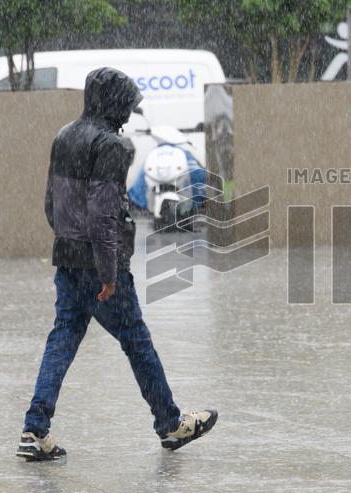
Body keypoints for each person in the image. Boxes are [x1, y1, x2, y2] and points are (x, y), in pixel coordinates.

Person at [18, 67, 217, 461]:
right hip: (99, 264)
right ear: (114, 104)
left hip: (68, 259)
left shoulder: (64, 136)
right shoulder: (111, 146)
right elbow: (103, 214)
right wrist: (107, 274)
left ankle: (34, 429)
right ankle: (170, 424)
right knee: (137, 341)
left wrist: (69, 242)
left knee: (62, 339)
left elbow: (50, 203)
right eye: (127, 104)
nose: (129, 112)